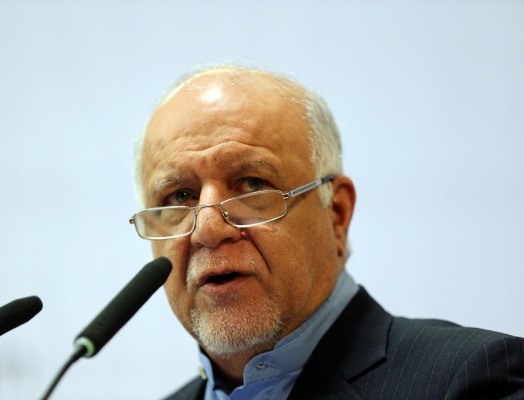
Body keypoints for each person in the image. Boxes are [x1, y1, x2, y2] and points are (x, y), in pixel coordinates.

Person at [129, 65, 524, 399]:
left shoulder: (473, 380)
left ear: (336, 213)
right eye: (180, 196)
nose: (208, 229)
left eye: (252, 184)